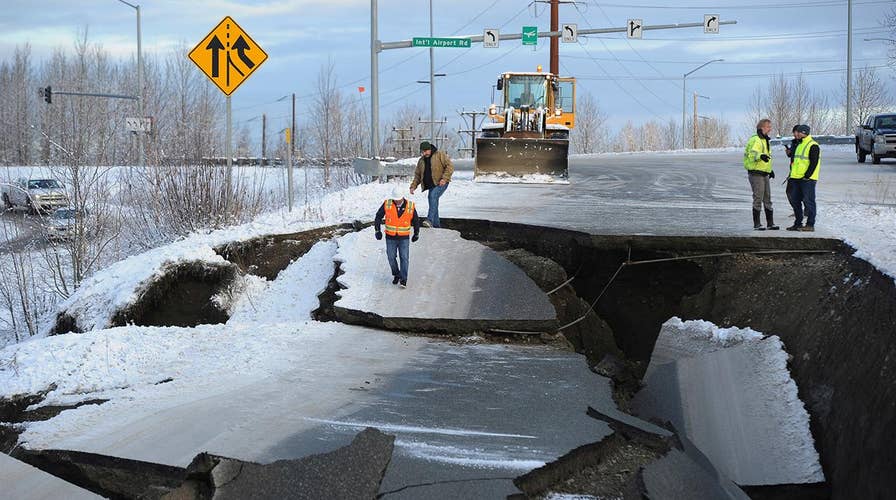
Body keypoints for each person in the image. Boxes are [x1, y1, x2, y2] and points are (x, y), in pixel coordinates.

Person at [374, 186, 421, 288]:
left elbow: (416, 221)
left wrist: (416, 233)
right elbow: (378, 216)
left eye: (398, 199)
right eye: (395, 199)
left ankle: (403, 279)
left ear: (402, 197)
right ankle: (396, 274)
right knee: (391, 257)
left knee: (404, 258)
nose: (397, 201)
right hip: (390, 237)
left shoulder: (410, 206)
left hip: (404, 238)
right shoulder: (387, 204)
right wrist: (377, 230)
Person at [743, 118, 779, 230]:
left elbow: (767, 158)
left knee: (767, 198)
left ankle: (770, 223)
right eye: (768, 127)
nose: (770, 129)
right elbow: (752, 155)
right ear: (762, 127)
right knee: (758, 197)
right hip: (755, 173)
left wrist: (770, 170)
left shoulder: (765, 140)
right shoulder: (756, 140)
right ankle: (757, 224)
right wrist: (760, 156)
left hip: (764, 173)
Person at [410, 141, 453, 228]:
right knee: (434, 202)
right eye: (423, 151)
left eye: (426, 151)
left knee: (432, 196)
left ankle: (429, 220)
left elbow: (449, 166)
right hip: (431, 186)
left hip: (441, 183)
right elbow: (418, 175)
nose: (424, 153)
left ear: (430, 149)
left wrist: (444, 178)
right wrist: (413, 186)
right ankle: (437, 226)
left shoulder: (439, 155)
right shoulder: (421, 161)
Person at [787, 124, 821, 232]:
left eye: (799, 132)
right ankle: (798, 223)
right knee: (795, 201)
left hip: (807, 179)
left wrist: (807, 175)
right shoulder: (799, 144)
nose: (796, 133)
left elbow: (814, 163)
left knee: (809, 201)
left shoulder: (813, 145)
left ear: (804, 133)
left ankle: (810, 224)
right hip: (796, 178)